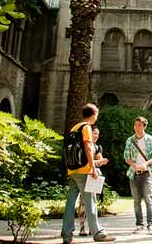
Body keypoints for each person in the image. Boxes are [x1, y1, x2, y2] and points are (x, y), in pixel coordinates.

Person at [60, 103, 115, 243]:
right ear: (93, 115)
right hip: (84, 170)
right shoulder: (86, 128)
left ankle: (67, 235)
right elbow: (88, 148)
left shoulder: (74, 127)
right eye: (96, 114)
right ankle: (98, 233)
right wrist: (93, 168)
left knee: (70, 203)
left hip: (72, 170)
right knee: (90, 201)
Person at [124, 116, 152, 235]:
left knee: (149, 199)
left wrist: (145, 164)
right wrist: (134, 166)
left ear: (144, 126)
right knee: (136, 200)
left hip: (146, 173)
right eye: (135, 125)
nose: (136, 127)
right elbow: (126, 157)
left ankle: (151, 225)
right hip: (133, 173)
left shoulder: (151, 139)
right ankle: (139, 225)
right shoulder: (130, 140)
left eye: (139, 125)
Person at [78, 126, 109, 236]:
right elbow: (90, 162)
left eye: (97, 134)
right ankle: (82, 228)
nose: (96, 136)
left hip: (94, 177)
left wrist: (98, 162)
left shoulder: (97, 147)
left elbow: (100, 161)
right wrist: (97, 162)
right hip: (85, 175)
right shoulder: (85, 146)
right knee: (83, 202)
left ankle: (92, 227)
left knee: (93, 202)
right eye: (94, 133)